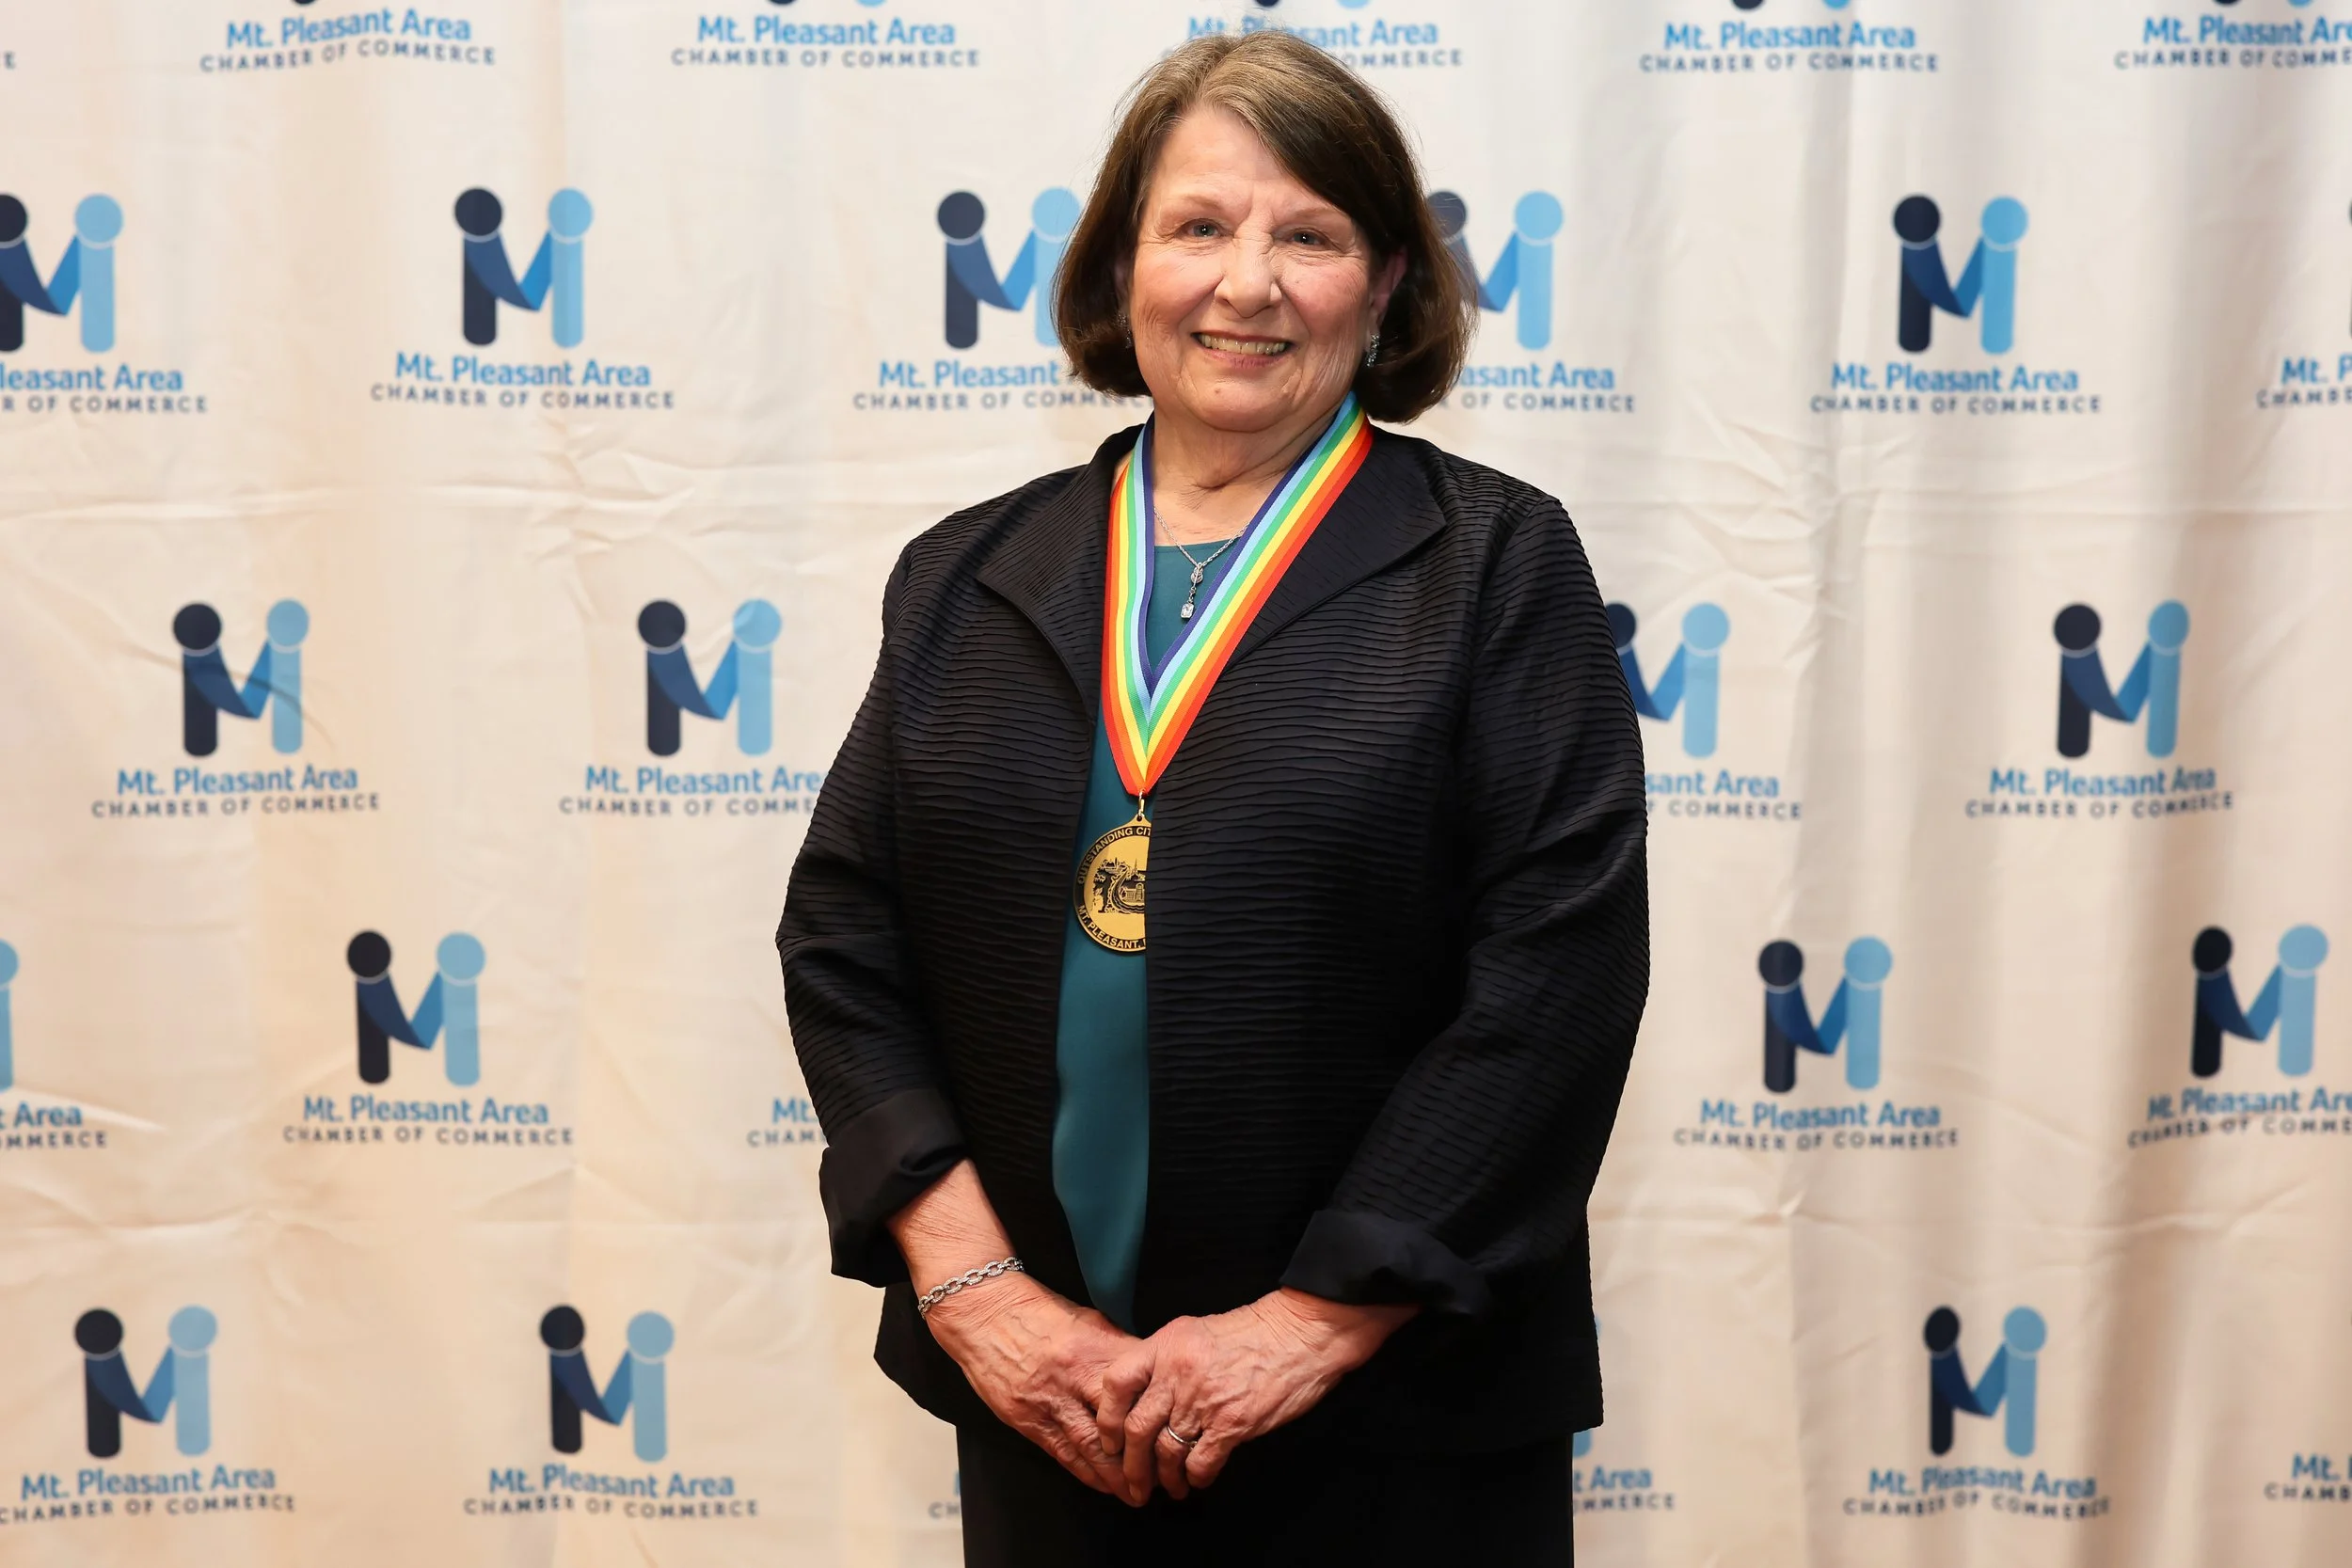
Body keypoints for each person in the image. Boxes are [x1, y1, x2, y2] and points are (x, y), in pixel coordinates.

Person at [778, 32, 1646, 1566]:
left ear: (1386, 285)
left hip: (1392, 1422)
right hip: (1051, 1401)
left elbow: (1552, 984)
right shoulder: (967, 575)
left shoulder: (1496, 564)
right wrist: (980, 1295)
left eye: (1309, 235)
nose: (1248, 283)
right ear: (1124, 266)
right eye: (1198, 226)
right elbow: (845, 940)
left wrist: (1308, 1322)